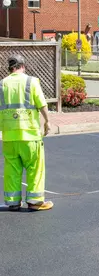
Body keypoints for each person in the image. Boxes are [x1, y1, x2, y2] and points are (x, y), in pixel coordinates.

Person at [0, 54, 54, 211]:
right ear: (23, 66)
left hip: (9, 137)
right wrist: (47, 122)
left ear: (10, 68)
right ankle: (35, 201)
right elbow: (42, 104)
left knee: (12, 170)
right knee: (35, 168)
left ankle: (13, 202)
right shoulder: (31, 82)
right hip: (30, 136)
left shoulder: (2, 84)